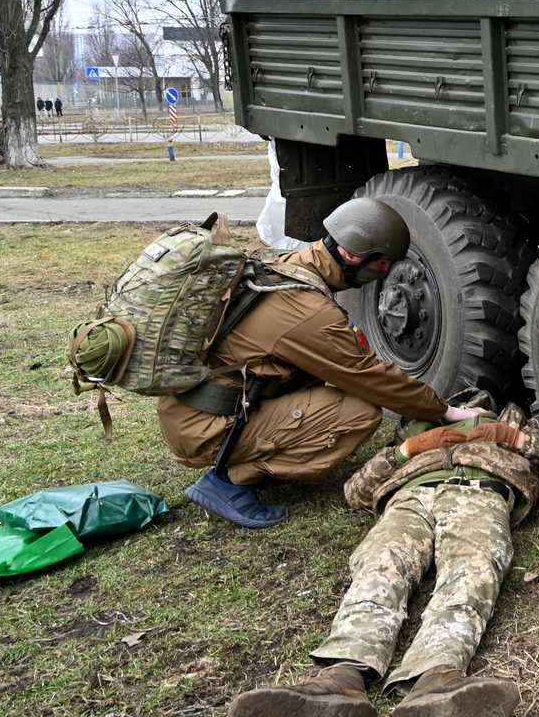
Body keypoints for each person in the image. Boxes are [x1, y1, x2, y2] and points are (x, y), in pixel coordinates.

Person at [227, 404, 539, 717]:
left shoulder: (518, 420)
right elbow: (355, 492)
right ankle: (340, 681)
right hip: (409, 496)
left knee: (473, 566)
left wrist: (514, 438)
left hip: (480, 489)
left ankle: (437, 678)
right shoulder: (410, 428)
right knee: (380, 564)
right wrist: (407, 450)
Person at [160, 197, 482, 528]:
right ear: (353, 255)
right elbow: (368, 376)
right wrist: (443, 410)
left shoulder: (289, 266)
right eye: (382, 263)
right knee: (359, 412)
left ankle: (248, 455)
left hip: (193, 410)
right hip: (205, 429)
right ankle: (229, 479)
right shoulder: (308, 311)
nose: (385, 272)